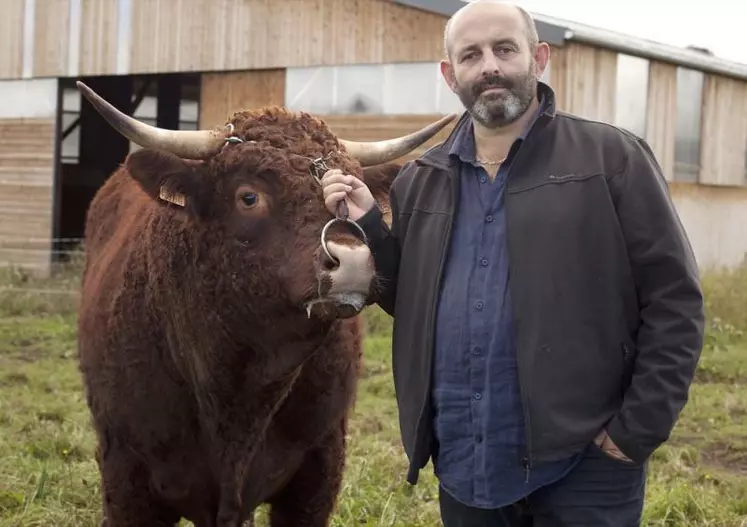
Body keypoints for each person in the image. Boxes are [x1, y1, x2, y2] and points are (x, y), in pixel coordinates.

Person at [320, 0, 705, 525]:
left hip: (584, 469)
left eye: (505, 49)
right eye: (471, 55)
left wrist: (633, 432)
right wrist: (369, 224)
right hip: (465, 461)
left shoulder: (611, 159)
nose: (490, 67)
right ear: (449, 74)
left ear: (539, 58)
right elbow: (411, 301)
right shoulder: (420, 179)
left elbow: (675, 301)